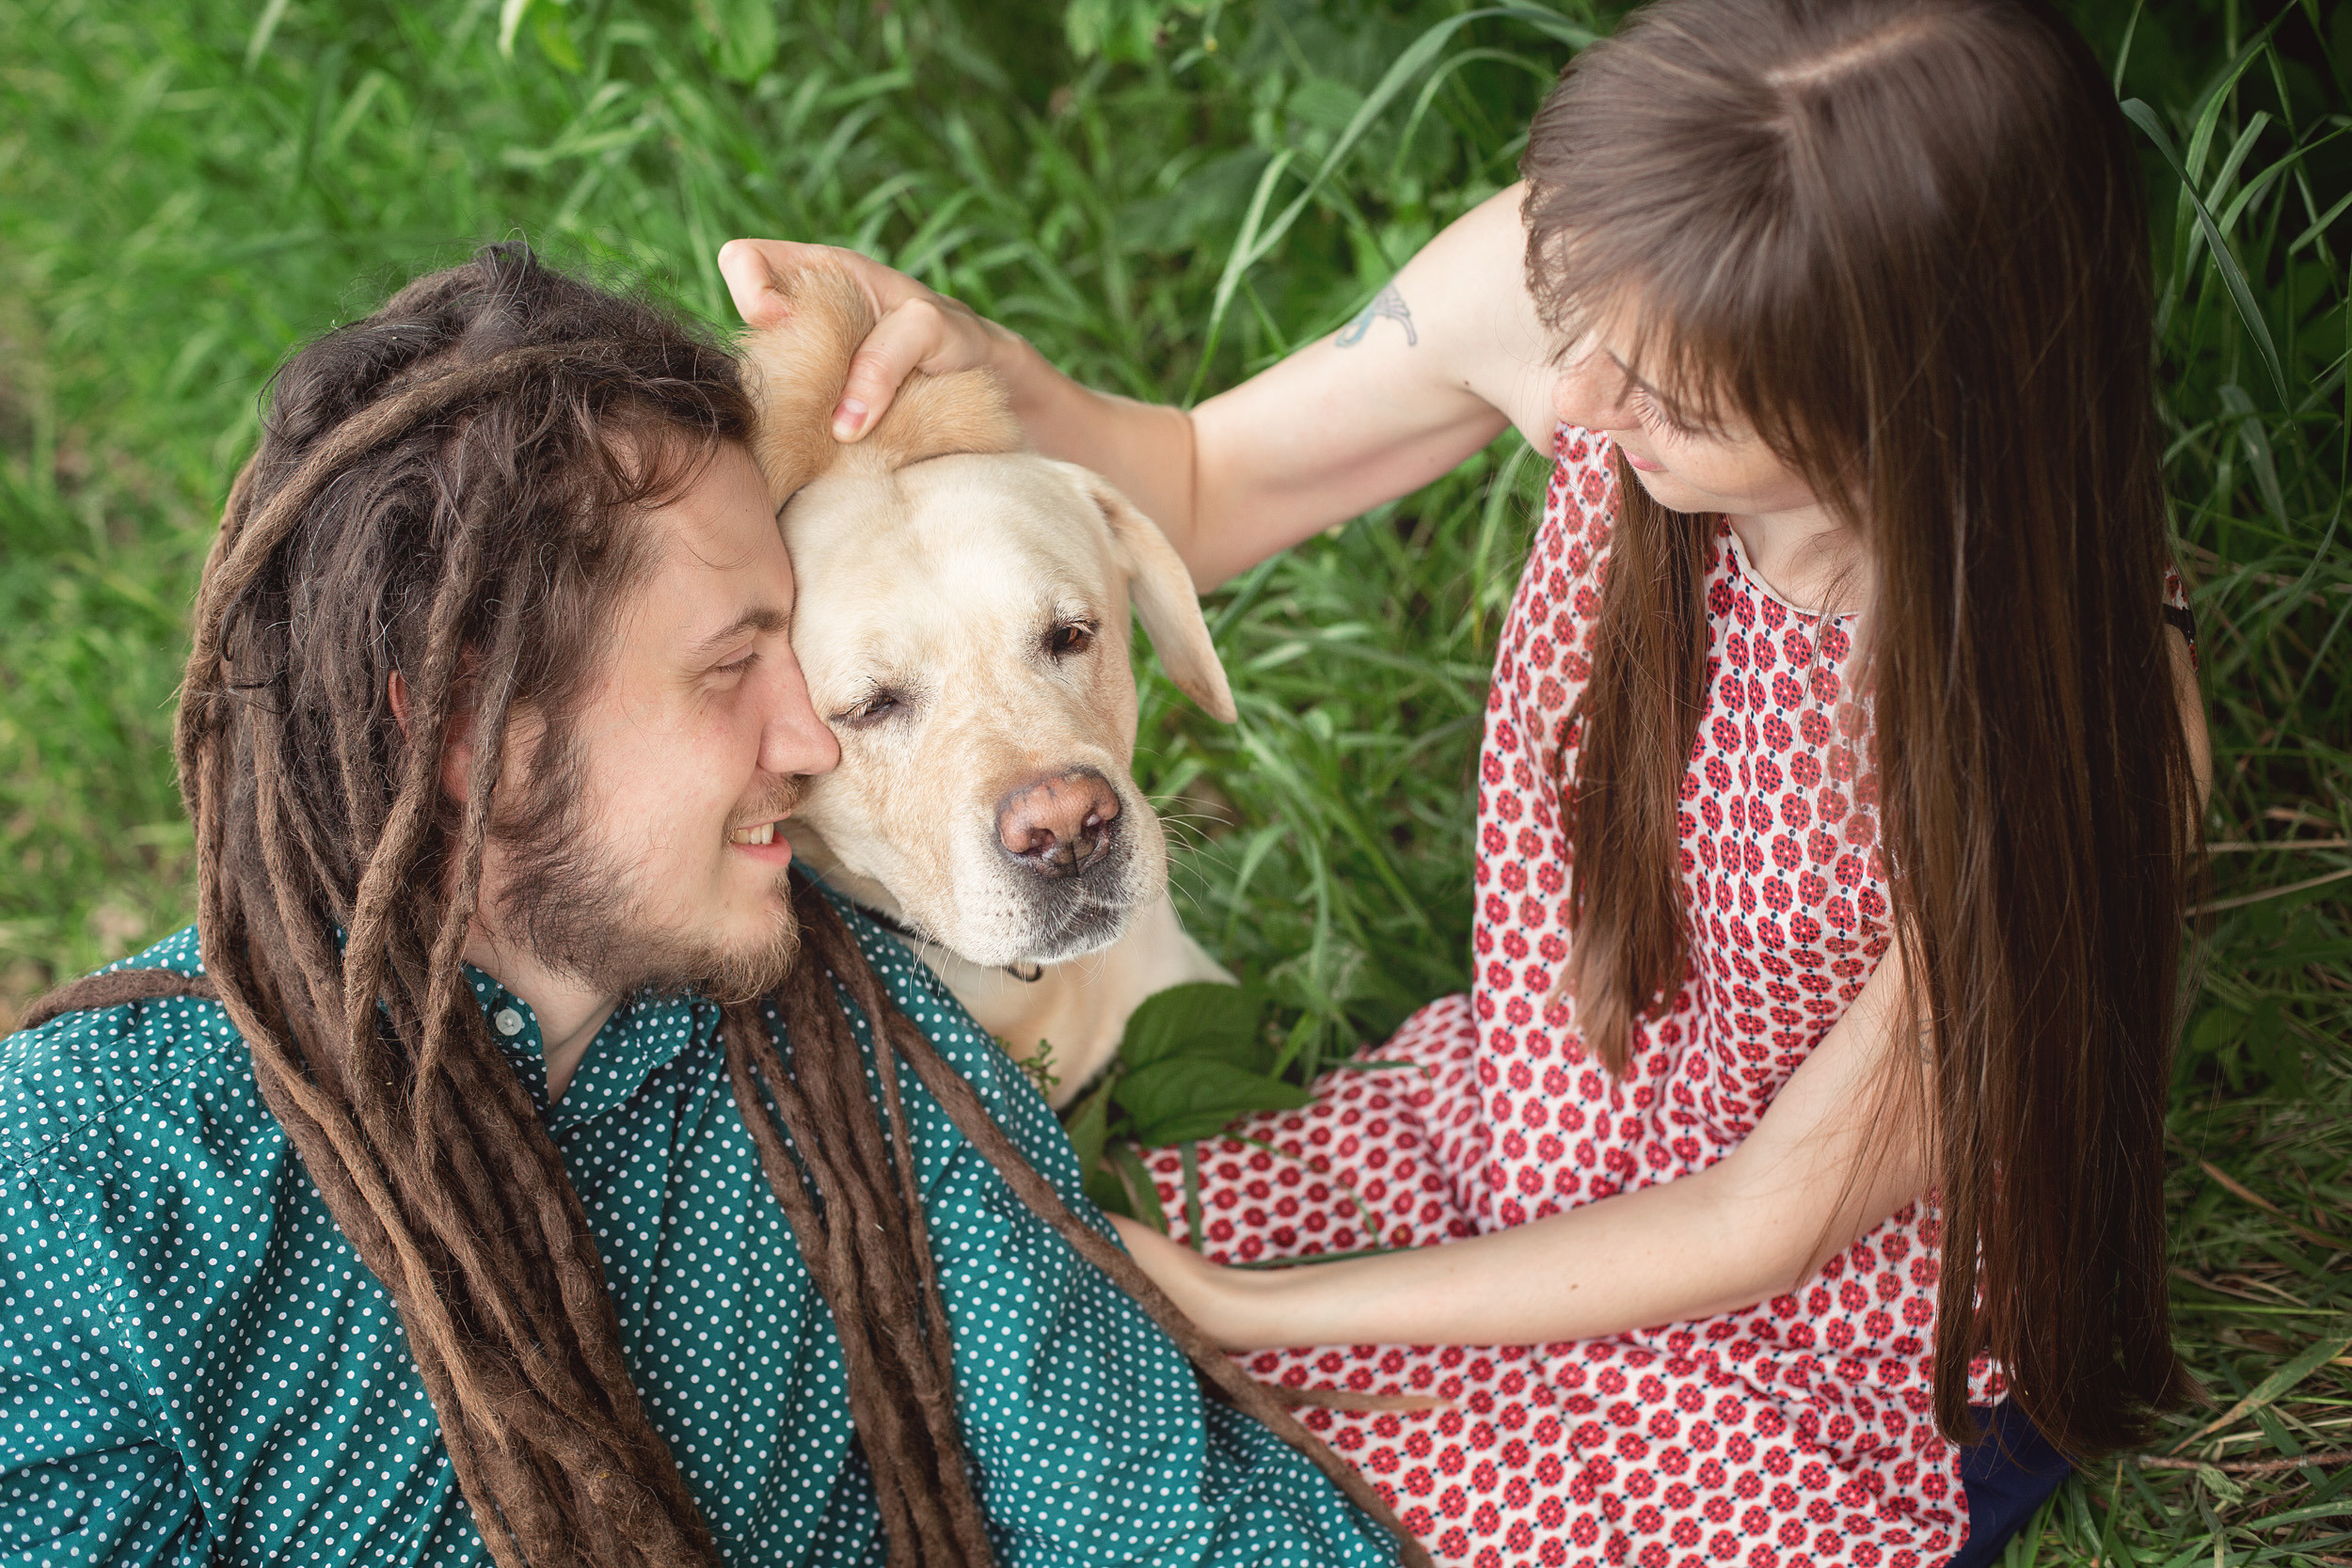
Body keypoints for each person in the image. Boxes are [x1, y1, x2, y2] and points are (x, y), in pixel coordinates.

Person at [718, 0, 2213, 1564]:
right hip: (1518, 1124)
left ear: (1901, 406)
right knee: (998, 1380)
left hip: (1794, 1345)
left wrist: (1248, 1309)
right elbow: (1211, 482)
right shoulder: (1625, 273)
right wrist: (986, 365)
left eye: (1677, 403)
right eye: (1582, 322)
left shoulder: (2076, 731)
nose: (1576, 407)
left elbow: (1764, 1222)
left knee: (1226, 1521)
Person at [0, 244, 1420, 1568]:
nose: (808, 745)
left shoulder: (866, 1057)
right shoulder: (81, 1179)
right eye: (733, 666)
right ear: (469, 735)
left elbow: (1165, 1520)